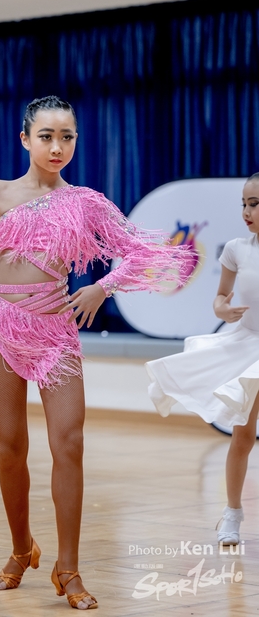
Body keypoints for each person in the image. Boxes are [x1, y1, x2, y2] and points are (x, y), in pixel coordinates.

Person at [0, 95, 192, 609]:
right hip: (1, 327)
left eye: (67, 137)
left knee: (69, 443)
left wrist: (103, 287)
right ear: (25, 139)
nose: (57, 147)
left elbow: (146, 252)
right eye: (47, 136)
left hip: (56, 329)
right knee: (10, 446)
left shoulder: (87, 202)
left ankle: (68, 568)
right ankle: (20, 549)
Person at [146, 173, 259, 547]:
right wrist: (223, 309)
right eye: (244, 204)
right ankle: (232, 513)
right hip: (247, 346)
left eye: (254, 204)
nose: (246, 211)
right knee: (243, 434)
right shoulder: (236, 250)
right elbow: (221, 298)